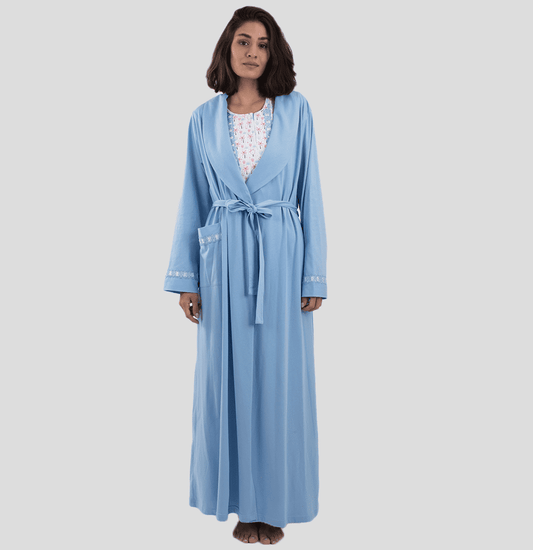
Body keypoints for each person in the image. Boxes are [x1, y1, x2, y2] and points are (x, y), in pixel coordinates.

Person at [163, 6, 327, 545]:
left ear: (274, 52)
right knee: (225, 381)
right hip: (223, 255)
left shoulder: (297, 111)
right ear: (227, 48)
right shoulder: (202, 119)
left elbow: (310, 192)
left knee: (280, 381)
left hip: (281, 253)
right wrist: (187, 277)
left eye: (263, 43)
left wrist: (313, 275)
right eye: (243, 41)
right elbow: (192, 196)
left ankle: (274, 505)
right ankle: (239, 503)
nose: (253, 51)